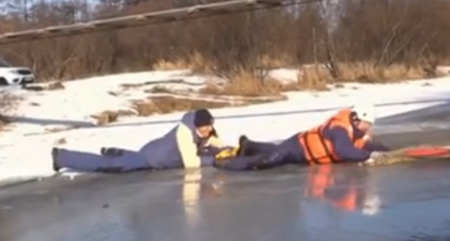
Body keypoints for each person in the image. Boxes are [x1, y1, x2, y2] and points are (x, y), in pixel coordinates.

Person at [216, 103, 391, 171]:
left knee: (276, 152)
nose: (369, 128)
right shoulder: (339, 128)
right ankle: (226, 164)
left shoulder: (357, 131)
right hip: (298, 146)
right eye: (367, 123)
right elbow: (344, 151)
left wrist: (388, 152)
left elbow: (368, 145)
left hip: (304, 155)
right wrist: (369, 156)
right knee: (267, 161)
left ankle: (248, 145)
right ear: (356, 119)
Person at [52, 108, 230, 173]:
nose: (207, 129)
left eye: (209, 126)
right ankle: (62, 157)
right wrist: (214, 160)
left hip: (155, 153)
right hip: (151, 158)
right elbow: (191, 164)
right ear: (196, 125)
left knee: (123, 159)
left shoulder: (205, 130)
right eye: (204, 127)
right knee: (111, 166)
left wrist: (231, 150)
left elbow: (215, 142)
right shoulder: (184, 132)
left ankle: (114, 151)